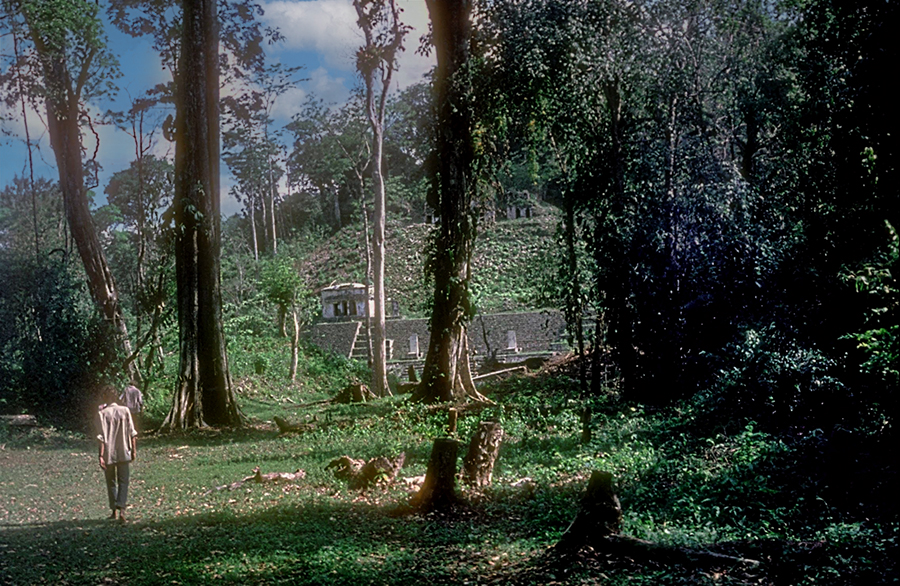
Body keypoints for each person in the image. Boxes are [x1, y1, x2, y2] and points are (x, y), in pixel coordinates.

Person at [96, 385, 137, 522]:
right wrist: (134, 450)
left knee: (111, 481)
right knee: (124, 481)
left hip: (109, 453)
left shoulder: (102, 413)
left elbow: (101, 437)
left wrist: (100, 456)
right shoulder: (125, 411)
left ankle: (113, 510)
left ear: (105, 397)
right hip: (124, 451)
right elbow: (132, 433)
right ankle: (122, 511)